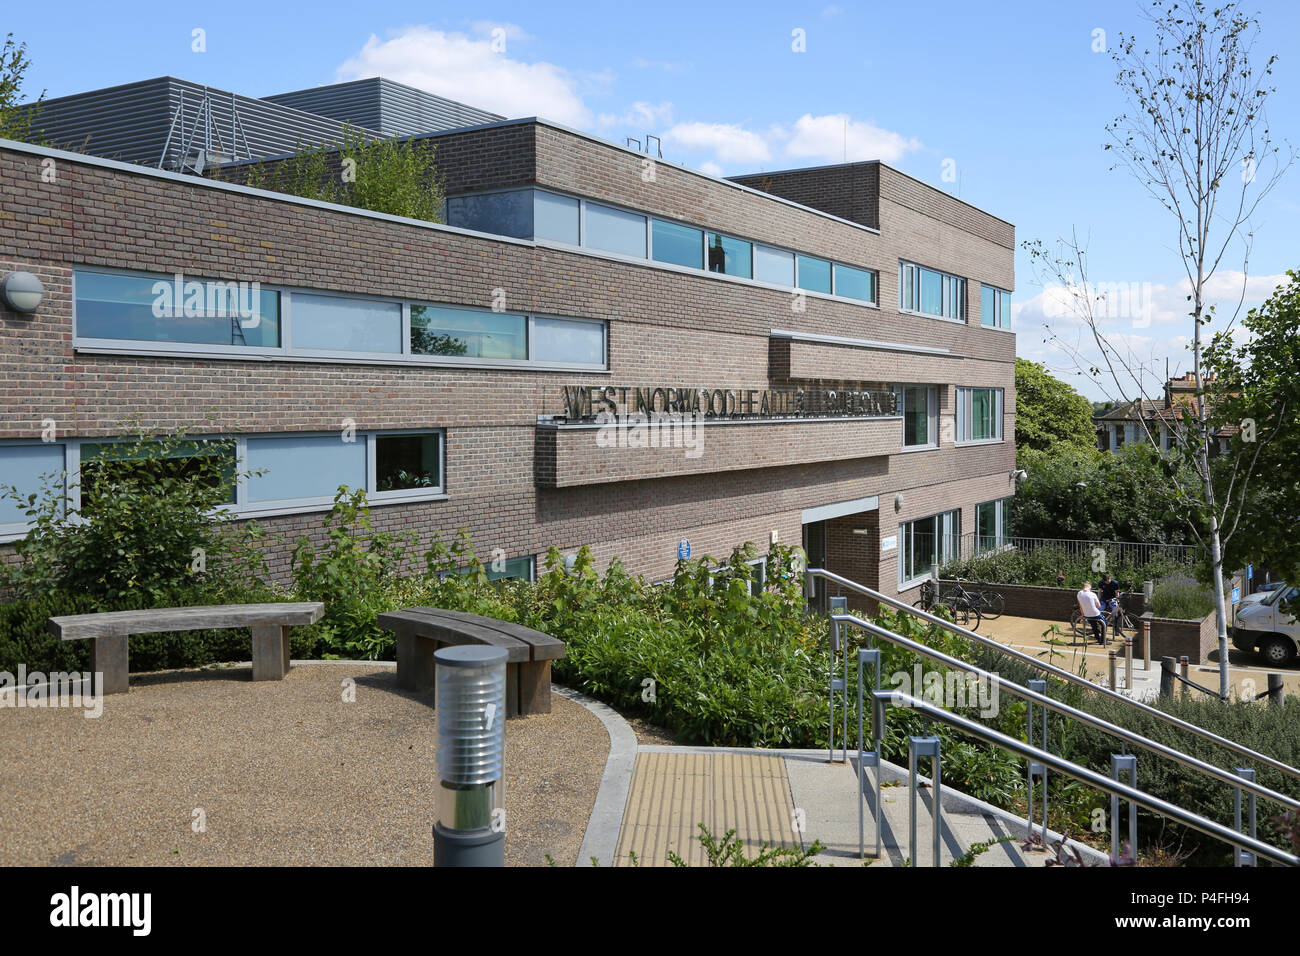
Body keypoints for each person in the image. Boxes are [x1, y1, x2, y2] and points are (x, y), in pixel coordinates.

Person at [1077, 581, 1107, 646]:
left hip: (1086, 614)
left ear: (1084, 587)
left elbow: (1080, 606)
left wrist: (1082, 614)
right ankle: (1103, 640)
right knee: (1104, 623)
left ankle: (1098, 638)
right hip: (1095, 614)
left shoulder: (1079, 593)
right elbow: (1099, 606)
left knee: (1094, 625)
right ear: (1090, 587)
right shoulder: (1093, 594)